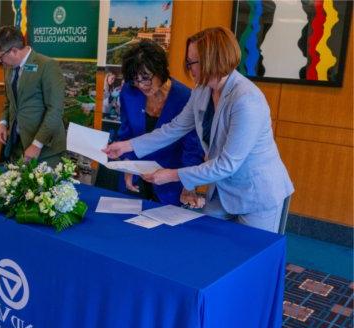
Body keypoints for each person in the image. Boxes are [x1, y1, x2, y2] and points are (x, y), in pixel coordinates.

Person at [104, 27, 294, 233]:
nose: (188, 68)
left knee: (253, 257)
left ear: (213, 58)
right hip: (223, 191)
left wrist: (170, 175)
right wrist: (126, 146)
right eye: (188, 61)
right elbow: (174, 129)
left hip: (256, 194)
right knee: (208, 249)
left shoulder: (246, 100)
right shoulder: (202, 91)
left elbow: (226, 165)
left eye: (192, 62)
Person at [114, 40, 204, 206]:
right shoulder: (129, 91)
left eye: (146, 78)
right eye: (135, 79)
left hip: (168, 185)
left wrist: (188, 185)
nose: (141, 85)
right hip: (134, 179)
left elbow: (192, 149)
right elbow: (126, 133)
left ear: (160, 70)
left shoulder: (185, 98)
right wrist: (127, 164)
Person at [0, 26, 66, 165]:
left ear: (13, 51)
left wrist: (37, 144)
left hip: (45, 150)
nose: (0, 62)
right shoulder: (9, 69)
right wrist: (3, 123)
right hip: (16, 145)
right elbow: (10, 101)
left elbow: (55, 111)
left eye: (0, 57)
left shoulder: (47, 66)